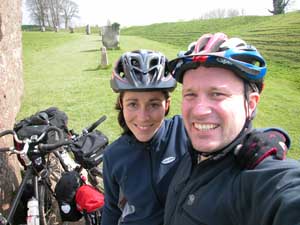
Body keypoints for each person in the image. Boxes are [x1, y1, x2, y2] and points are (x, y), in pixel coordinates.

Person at [101, 49, 290, 225]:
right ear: (121, 104)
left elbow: (228, 130)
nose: (143, 117)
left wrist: (269, 136)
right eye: (133, 104)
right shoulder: (113, 155)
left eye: (154, 104)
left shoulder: (185, 132)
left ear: (167, 105)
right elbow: (111, 209)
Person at [163, 32, 300, 225]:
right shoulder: (192, 152)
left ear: (251, 104)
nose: (200, 111)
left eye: (217, 94)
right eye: (190, 94)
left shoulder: (258, 180)